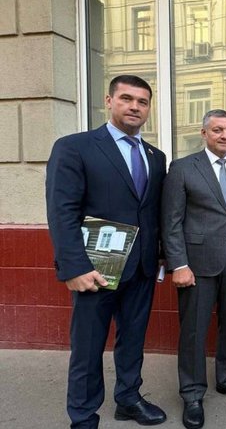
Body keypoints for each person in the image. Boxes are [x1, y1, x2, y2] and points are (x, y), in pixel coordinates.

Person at [46, 75, 167, 428]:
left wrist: (159, 257)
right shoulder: (75, 147)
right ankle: (83, 418)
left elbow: (151, 211)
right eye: (126, 99)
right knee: (87, 349)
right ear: (108, 101)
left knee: (132, 342)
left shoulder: (155, 157)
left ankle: (128, 398)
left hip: (141, 268)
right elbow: (62, 211)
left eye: (142, 102)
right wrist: (74, 267)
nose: (134, 107)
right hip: (95, 268)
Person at [161, 109, 226, 429]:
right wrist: (179, 264)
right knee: (194, 331)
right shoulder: (183, 168)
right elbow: (171, 221)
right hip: (197, 264)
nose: (225, 136)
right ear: (204, 133)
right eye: (217, 130)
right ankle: (192, 393)